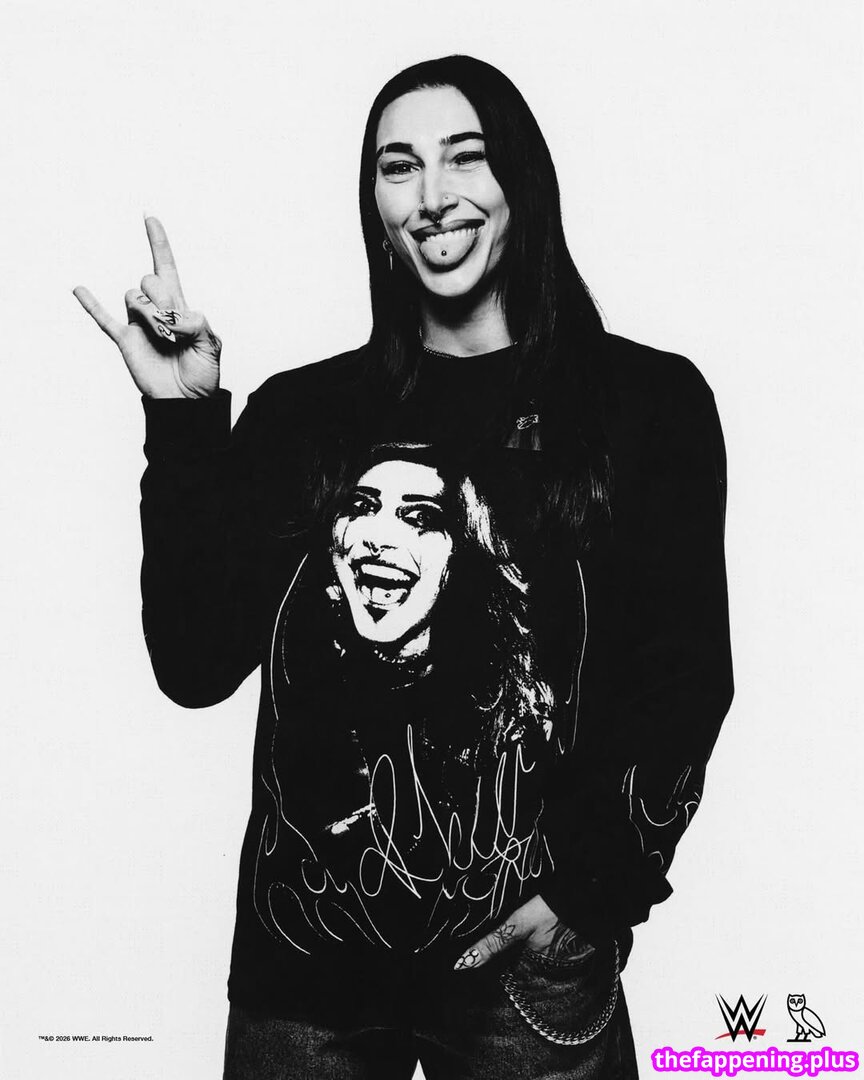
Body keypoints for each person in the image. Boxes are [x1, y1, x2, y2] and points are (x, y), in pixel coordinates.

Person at [73, 54, 733, 1080]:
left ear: (522, 180)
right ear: (374, 206)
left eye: (466, 157)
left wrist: (585, 896)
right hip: (306, 987)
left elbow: (684, 678)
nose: (432, 196)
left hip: (525, 978)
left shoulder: (644, 404)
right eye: (398, 166)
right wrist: (185, 422)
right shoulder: (305, 414)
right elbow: (194, 663)